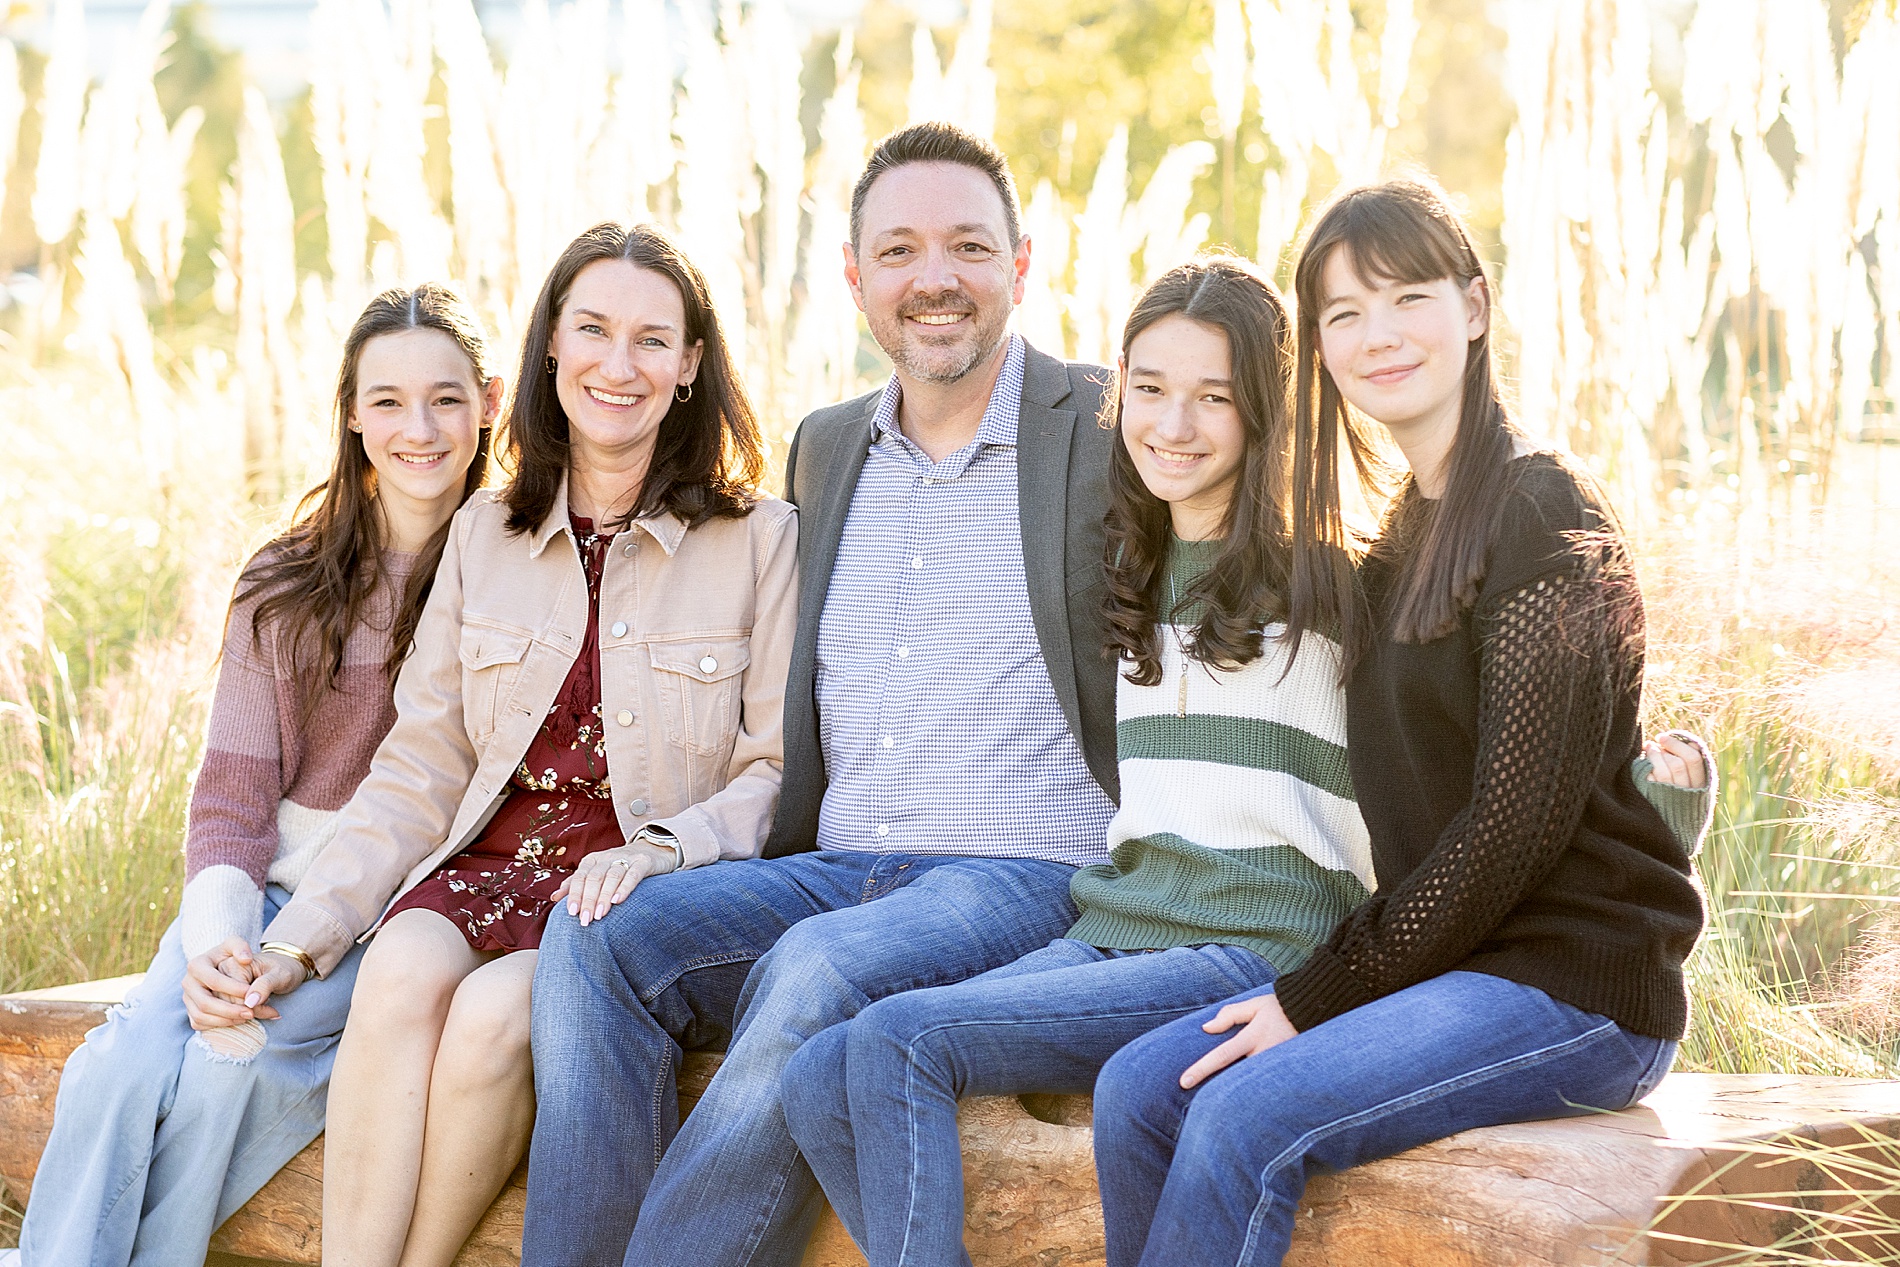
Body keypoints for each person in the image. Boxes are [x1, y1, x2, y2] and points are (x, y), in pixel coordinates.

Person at [775, 257, 1715, 1267]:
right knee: (817, 1070)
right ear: (1115, 397)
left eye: (1212, 397)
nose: (1173, 425)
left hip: (1253, 944)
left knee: (898, 1040)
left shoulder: (1327, 582)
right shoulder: (1125, 571)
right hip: (1120, 929)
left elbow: (1480, 743)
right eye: (1149, 390)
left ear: (1264, 412)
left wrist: (1656, 804)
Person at [521, 121, 1121, 1267]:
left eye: (966, 248)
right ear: (854, 277)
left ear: (1021, 263)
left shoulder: (1103, 425)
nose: (932, 279)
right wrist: (670, 846)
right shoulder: (829, 447)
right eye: (896, 251)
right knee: (598, 935)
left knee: (816, 969)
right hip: (840, 869)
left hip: (1027, 875)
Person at [1087, 178, 1712, 1267]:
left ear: (1474, 307)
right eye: (1342, 314)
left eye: (1405, 298)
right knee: (1140, 1089)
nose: (1376, 336)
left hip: (1575, 985)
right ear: (1316, 351)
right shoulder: (1403, 535)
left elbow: (1511, 828)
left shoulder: (1537, 510)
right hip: (1454, 968)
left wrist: (1316, 991)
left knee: (1239, 1115)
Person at [244, 223, 798, 1267]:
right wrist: (299, 936)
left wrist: (667, 849)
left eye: (650, 340)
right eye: (591, 330)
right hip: (484, 866)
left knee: (497, 1017)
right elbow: (422, 766)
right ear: (550, 347)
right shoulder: (484, 532)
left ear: (688, 366)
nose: (616, 363)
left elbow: (772, 770)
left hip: (622, 890)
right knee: (397, 973)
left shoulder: (759, 537)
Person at [12, 284, 499, 1267]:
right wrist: (219, 950)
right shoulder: (284, 582)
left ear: (489, 402)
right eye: (389, 400)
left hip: (396, 912)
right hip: (260, 890)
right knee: (124, 1063)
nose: (419, 428)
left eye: (446, 398)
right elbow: (232, 802)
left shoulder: (515, 576)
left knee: (239, 1065)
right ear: (351, 413)